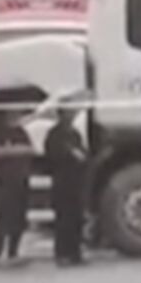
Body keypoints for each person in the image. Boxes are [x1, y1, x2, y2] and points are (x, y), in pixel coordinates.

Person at [0, 110, 35, 268]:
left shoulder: (21, 132)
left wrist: (15, 150)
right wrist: (13, 150)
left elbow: (30, 150)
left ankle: (13, 252)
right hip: (4, 181)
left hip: (21, 180)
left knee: (19, 218)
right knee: (2, 217)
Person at [44, 105, 88, 267]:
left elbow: (83, 153)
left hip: (75, 181)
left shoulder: (75, 134)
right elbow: (51, 155)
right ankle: (62, 254)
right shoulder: (54, 135)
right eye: (69, 114)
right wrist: (69, 152)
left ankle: (75, 253)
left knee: (76, 219)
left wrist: (81, 155)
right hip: (62, 182)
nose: (72, 116)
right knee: (63, 220)